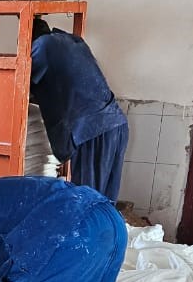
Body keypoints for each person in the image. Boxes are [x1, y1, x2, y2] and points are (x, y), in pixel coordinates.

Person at [29, 18, 128, 202]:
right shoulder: (73, 42)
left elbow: (20, 85)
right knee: (104, 202)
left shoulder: (42, 46)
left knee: (85, 201)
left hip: (92, 132)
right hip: (116, 124)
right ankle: (105, 231)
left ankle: (86, 231)